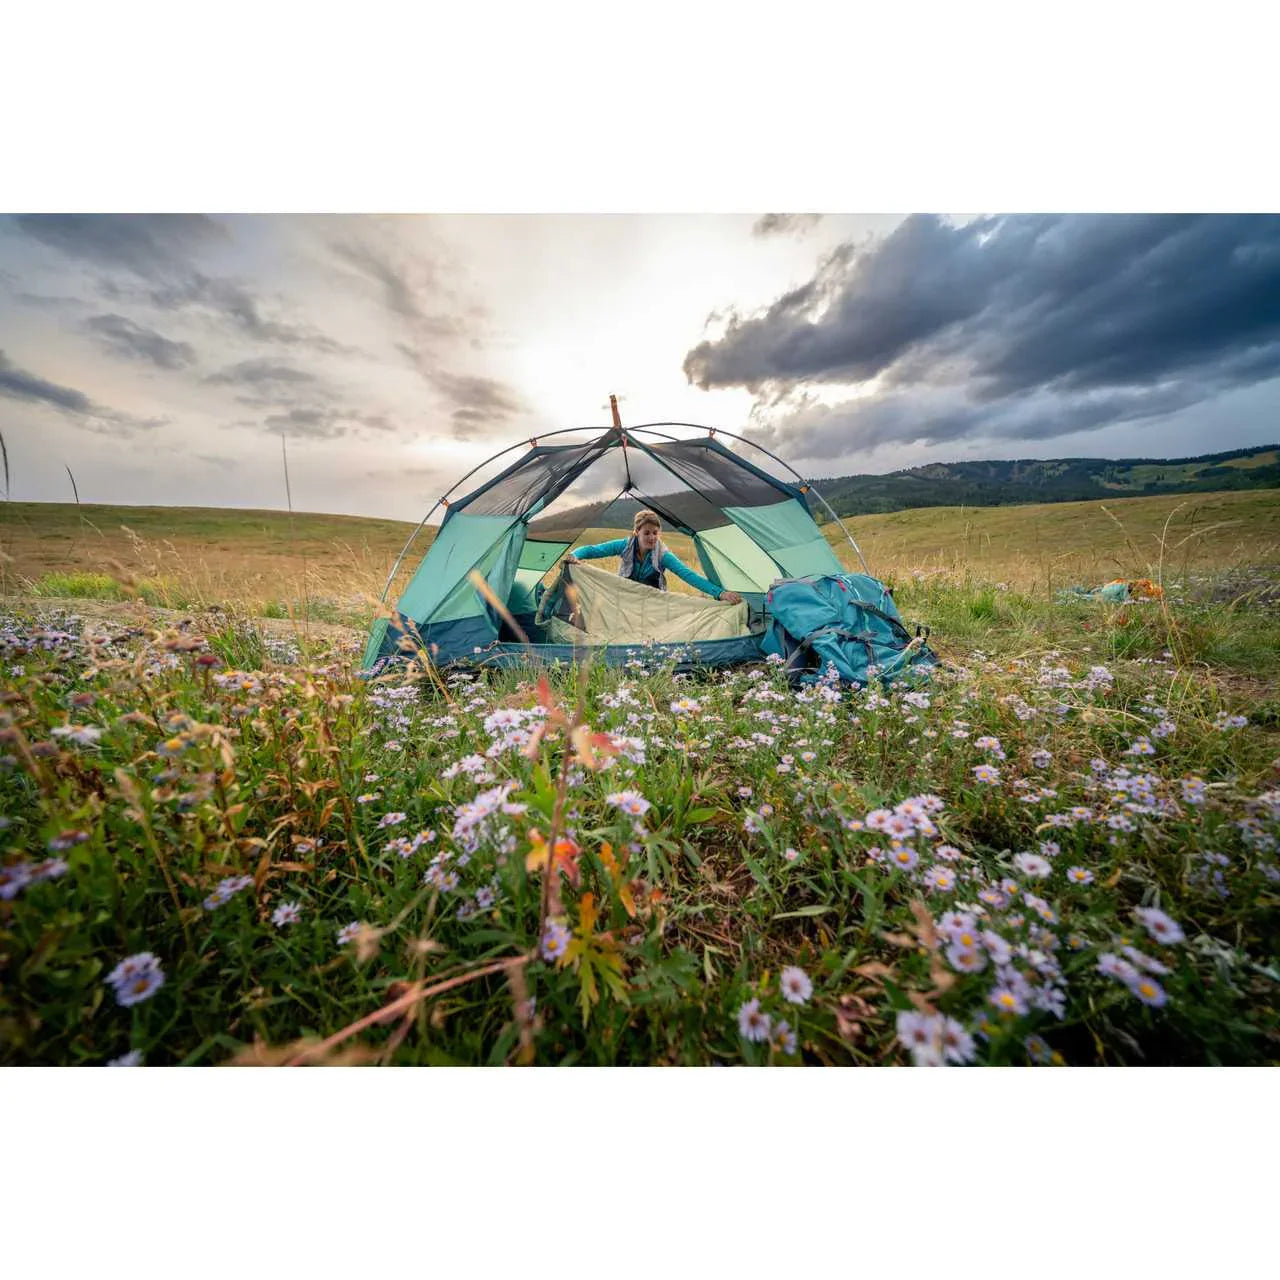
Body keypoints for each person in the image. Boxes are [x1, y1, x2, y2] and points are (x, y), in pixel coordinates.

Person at [567, 509, 744, 604]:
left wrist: (720, 593)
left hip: (652, 600)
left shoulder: (662, 554)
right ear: (636, 532)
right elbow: (592, 550)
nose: (652, 537)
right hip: (625, 597)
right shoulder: (624, 545)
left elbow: (688, 575)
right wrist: (574, 555)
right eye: (647, 533)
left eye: (655, 533)